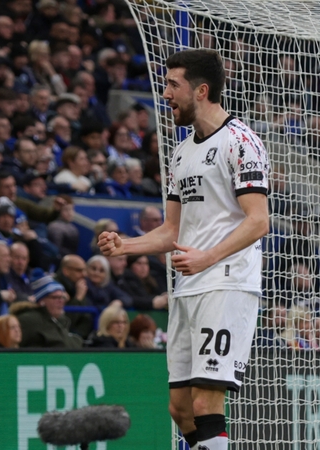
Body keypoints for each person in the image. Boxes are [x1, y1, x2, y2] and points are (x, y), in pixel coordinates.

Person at [98, 49, 270, 450]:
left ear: (202, 90)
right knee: (180, 409)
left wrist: (208, 257)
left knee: (205, 401)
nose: (165, 93)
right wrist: (126, 246)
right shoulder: (181, 152)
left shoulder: (241, 141)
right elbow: (171, 230)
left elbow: (258, 220)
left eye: (173, 84)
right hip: (188, 287)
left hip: (226, 283)